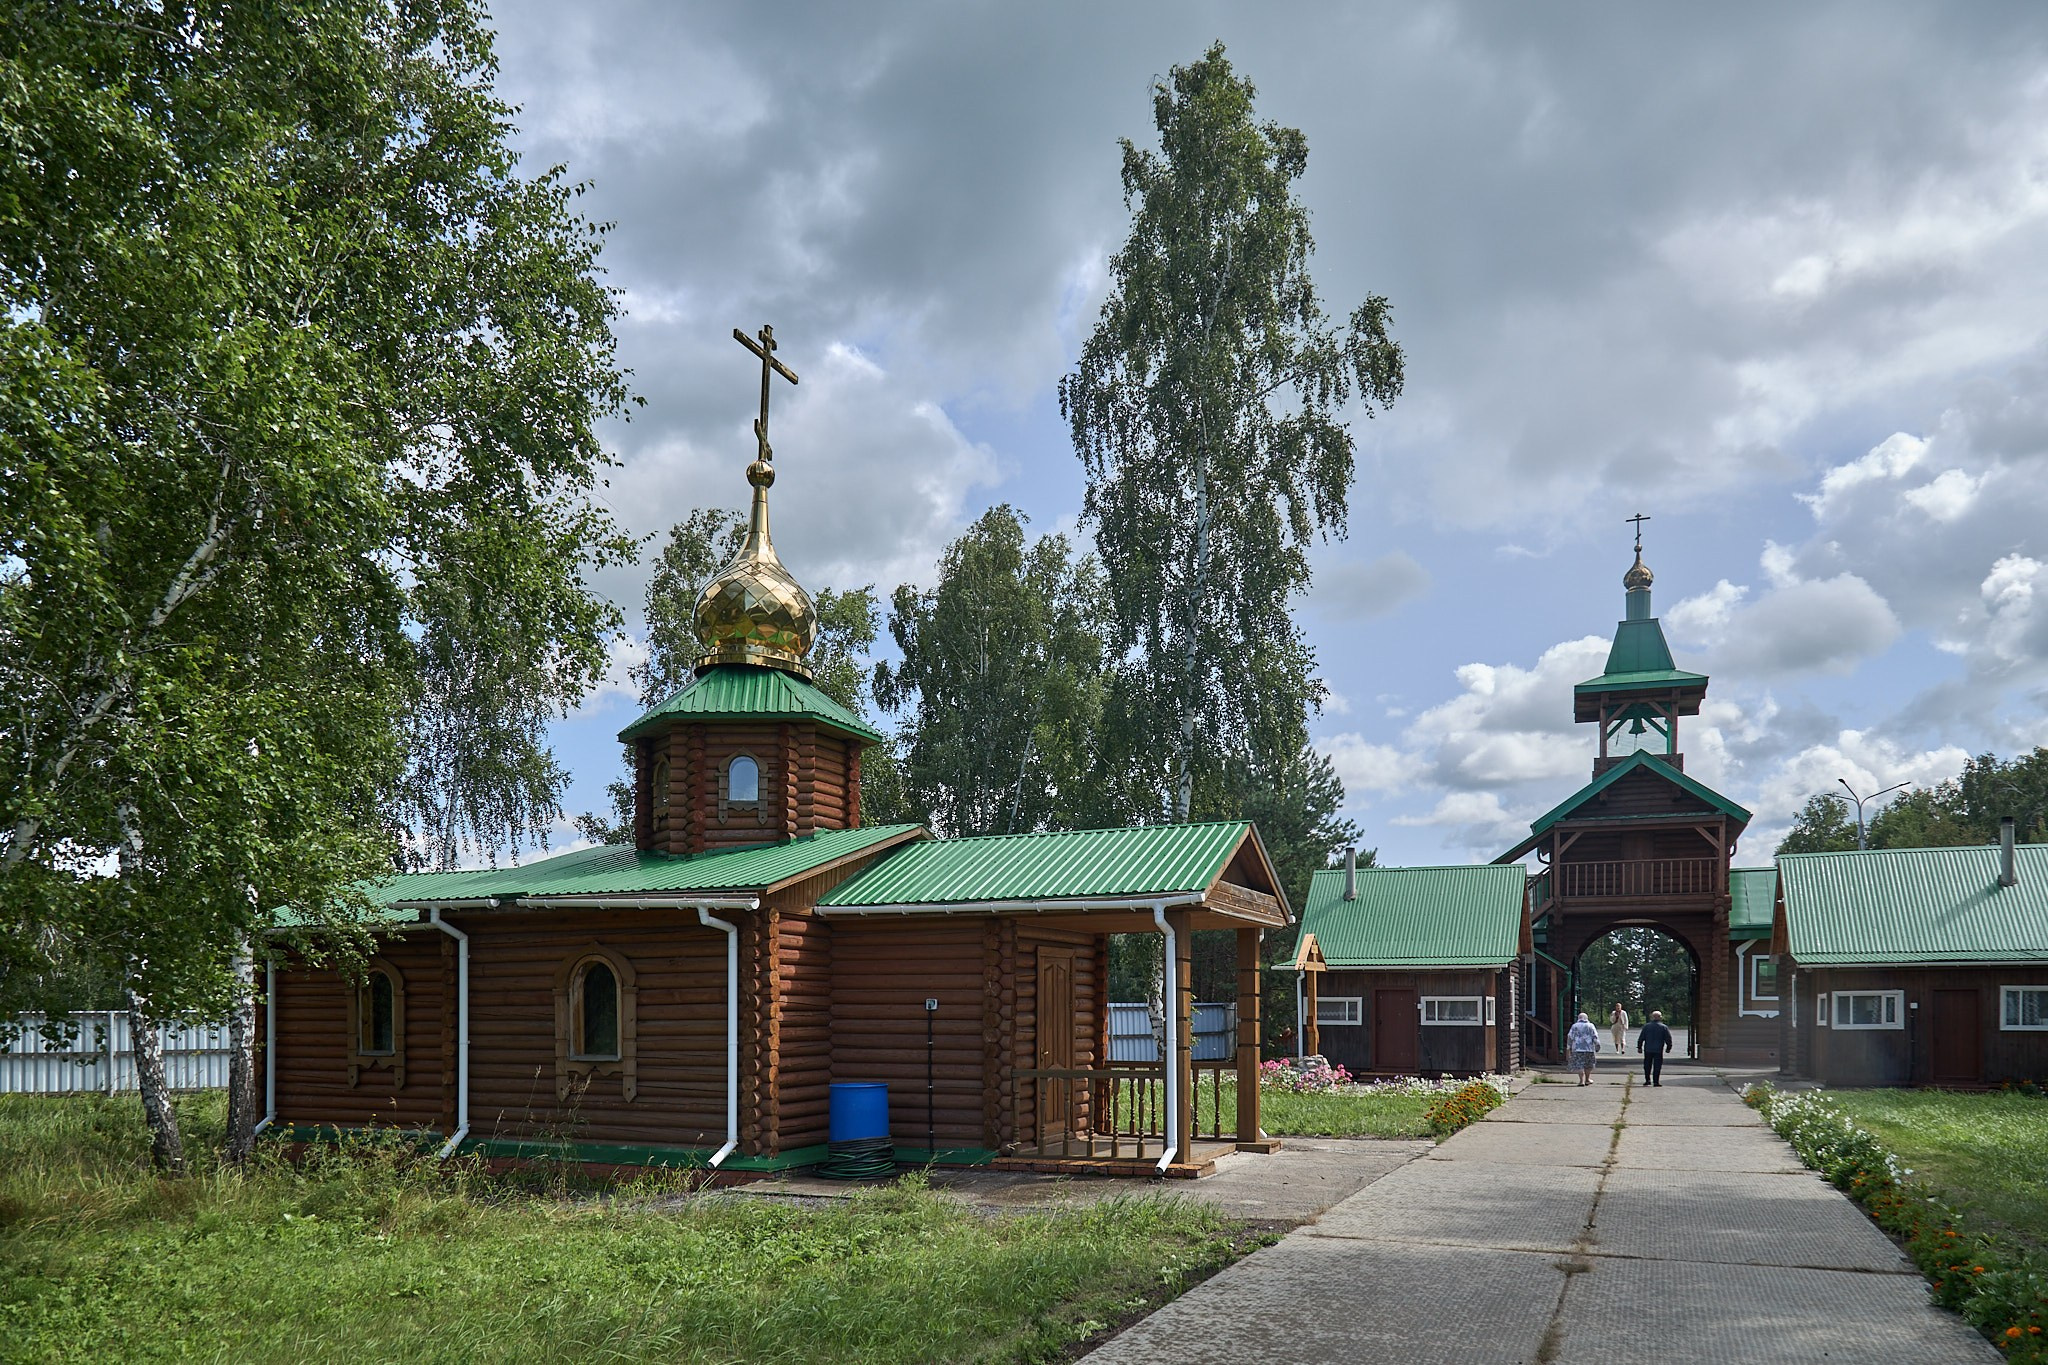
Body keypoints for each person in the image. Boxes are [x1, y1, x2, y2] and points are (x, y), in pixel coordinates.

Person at [1637, 1010, 1674, 1086]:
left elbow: (1641, 1037)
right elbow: (1668, 1038)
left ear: (1652, 1017)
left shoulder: (1646, 1026)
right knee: (1657, 1066)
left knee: (1647, 1065)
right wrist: (1668, 1047)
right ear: (1660, 1017)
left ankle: (1647, 1080)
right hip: (1658, 1049)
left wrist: (1639, 1047)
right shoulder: (1664, 1027)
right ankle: (1656, 1081)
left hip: (1648, 1049)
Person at [1566, 1012, 1600, 1085]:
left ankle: (1581, 1081)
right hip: (1589, 1049)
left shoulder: (1574, 1026)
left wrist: (1568, 1048)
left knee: (1579, 1065)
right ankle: (1587, 1079)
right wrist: (1597, 1045)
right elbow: (1595, 1036)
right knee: (1588, 1065)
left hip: (1577, 1049)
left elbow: (1570, 1037)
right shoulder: (1591, 1026)